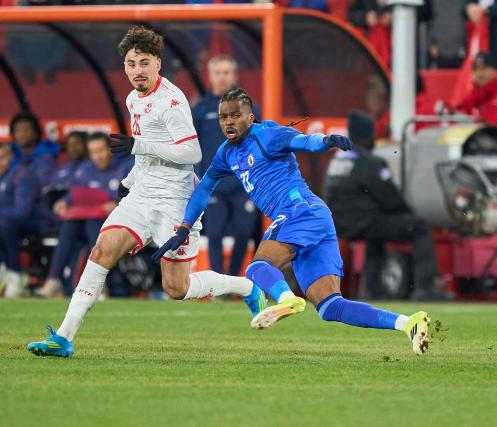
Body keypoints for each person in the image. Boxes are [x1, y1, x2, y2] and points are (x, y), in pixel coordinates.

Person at [26, 26, 267, 358]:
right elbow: (147, 153)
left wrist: (139, 144)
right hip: (142, 196)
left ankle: (248, 288)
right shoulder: (131, 98)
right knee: (101, 252)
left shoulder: (171, 101)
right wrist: (130, 178)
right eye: (130, 63)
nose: (137, 70)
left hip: (175, 201)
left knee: (177, 288)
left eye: (144, 62)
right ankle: (64, 337)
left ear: (158, 64)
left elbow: (191, 154)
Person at [153, 88, 432, 355]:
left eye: (235, 115)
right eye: (224, 116)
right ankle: (408, 323)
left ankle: (287, 300)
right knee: (330, 307)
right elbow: (204, 188)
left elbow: (300, 140)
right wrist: (185, 227)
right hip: (314, 218)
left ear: (250, 117)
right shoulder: (226, 153)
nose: (229, 121)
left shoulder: (267, 134)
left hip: (299, 210)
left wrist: (325, 141)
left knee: (258, 267)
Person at [324, 111, 445, 301]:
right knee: (419, 228)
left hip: (338, 224)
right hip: (362, 222)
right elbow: (391, 199)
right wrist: (410, 214)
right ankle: (425, 288)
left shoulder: (338, 160)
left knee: (376, 233)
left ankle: (370, 291)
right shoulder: (370, 162)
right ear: (368, 135)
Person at [37, 132, 132, 298]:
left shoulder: (125, 166)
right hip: (87, 224)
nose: (98, 156)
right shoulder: (85, 169)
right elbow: (75, 193)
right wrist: (64, 202)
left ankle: (96, 284)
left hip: (118, 224)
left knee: (91, 222)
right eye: (93, 152)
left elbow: (136, 195)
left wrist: (118, 205)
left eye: (101, 150)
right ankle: (54, 280)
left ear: (110, 148)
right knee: (72, 224)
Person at [192, 54, 259, 277]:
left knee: (243, 232)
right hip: (215, 184)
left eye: (226, 72)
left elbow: (261, 143)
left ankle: (233, 278)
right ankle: (219, 283)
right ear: (210, 76)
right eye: (218, 73)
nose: (222, 77)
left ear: (235, 75)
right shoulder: (201, 109)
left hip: (244, 184)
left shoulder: (250, 108)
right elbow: (192, 147)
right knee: (215, 233)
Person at [0, 143, 43, 298]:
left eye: (2, 158)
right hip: (8, 223)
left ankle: (15, 273)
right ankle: (4, 269)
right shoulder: (2, 175)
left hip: (35, 223)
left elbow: (22, 211)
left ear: (12, 157)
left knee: (6, 222)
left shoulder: (22, 174)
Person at [454, 51, 497, 127]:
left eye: (483, 69)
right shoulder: (477, 91)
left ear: (494, 71)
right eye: (476, 69)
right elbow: (462, 109)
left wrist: (489, 122)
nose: (479, 74)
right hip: (476, 136)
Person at [10, 111, 58, 188]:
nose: (22, 134)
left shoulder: (46, 159)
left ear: (36, 133)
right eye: (17, 130)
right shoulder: (12, 158)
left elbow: (43, 187)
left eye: (26, 129)